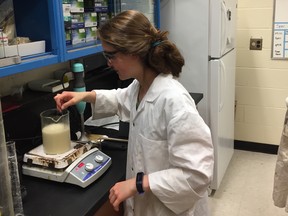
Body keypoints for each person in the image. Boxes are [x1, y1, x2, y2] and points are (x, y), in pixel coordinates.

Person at [54, 10, 214, 216]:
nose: (108, 63)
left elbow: (197, 174)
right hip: (146, 205)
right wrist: (84, 96)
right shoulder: (139, 87)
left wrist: (137, 184)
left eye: (111, 56)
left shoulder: (174, 101)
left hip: (170, 210)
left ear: (134, 52)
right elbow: (120, 98)